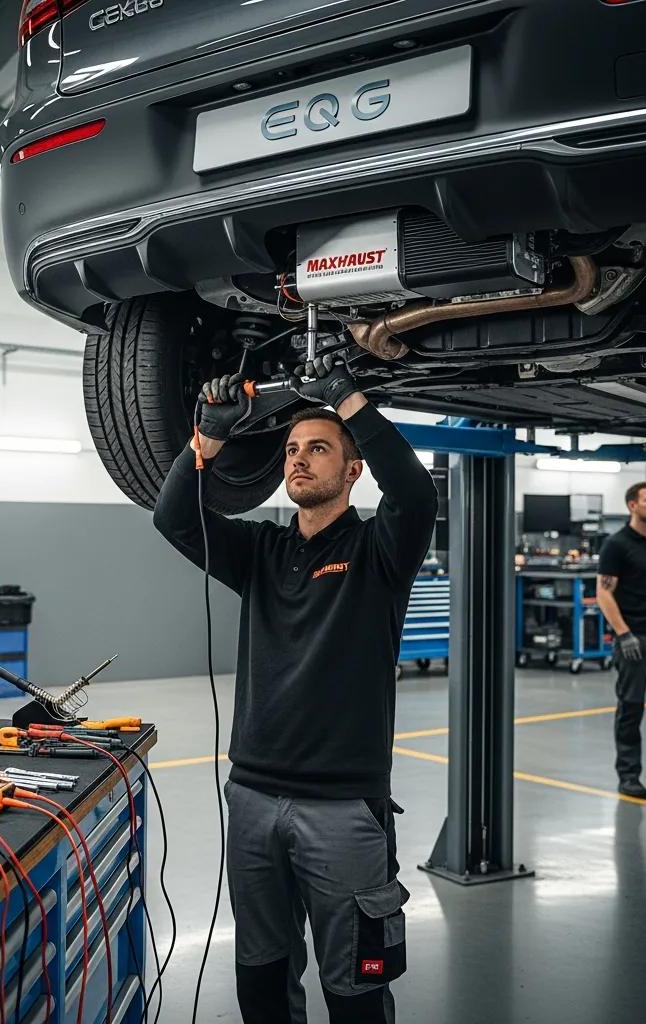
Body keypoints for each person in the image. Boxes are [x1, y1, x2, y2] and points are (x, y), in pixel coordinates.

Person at [153, 354, 438, 1024]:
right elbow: (174, 519)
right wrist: (209, 438)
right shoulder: (260, 552)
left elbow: (417, 495)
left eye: (318, 448)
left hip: (342, 812)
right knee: (261, 976)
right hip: (251, 800)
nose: (299, 460)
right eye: (291, 450)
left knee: (356, 987)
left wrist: (348, 400)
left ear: (352, 469)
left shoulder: (380, 553)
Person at [595, 481, 646, 800]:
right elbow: (604, 593)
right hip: (635, 639)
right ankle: (629, 775)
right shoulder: (617, 545)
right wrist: (624, 634)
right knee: (631, 708)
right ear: (633, 505)